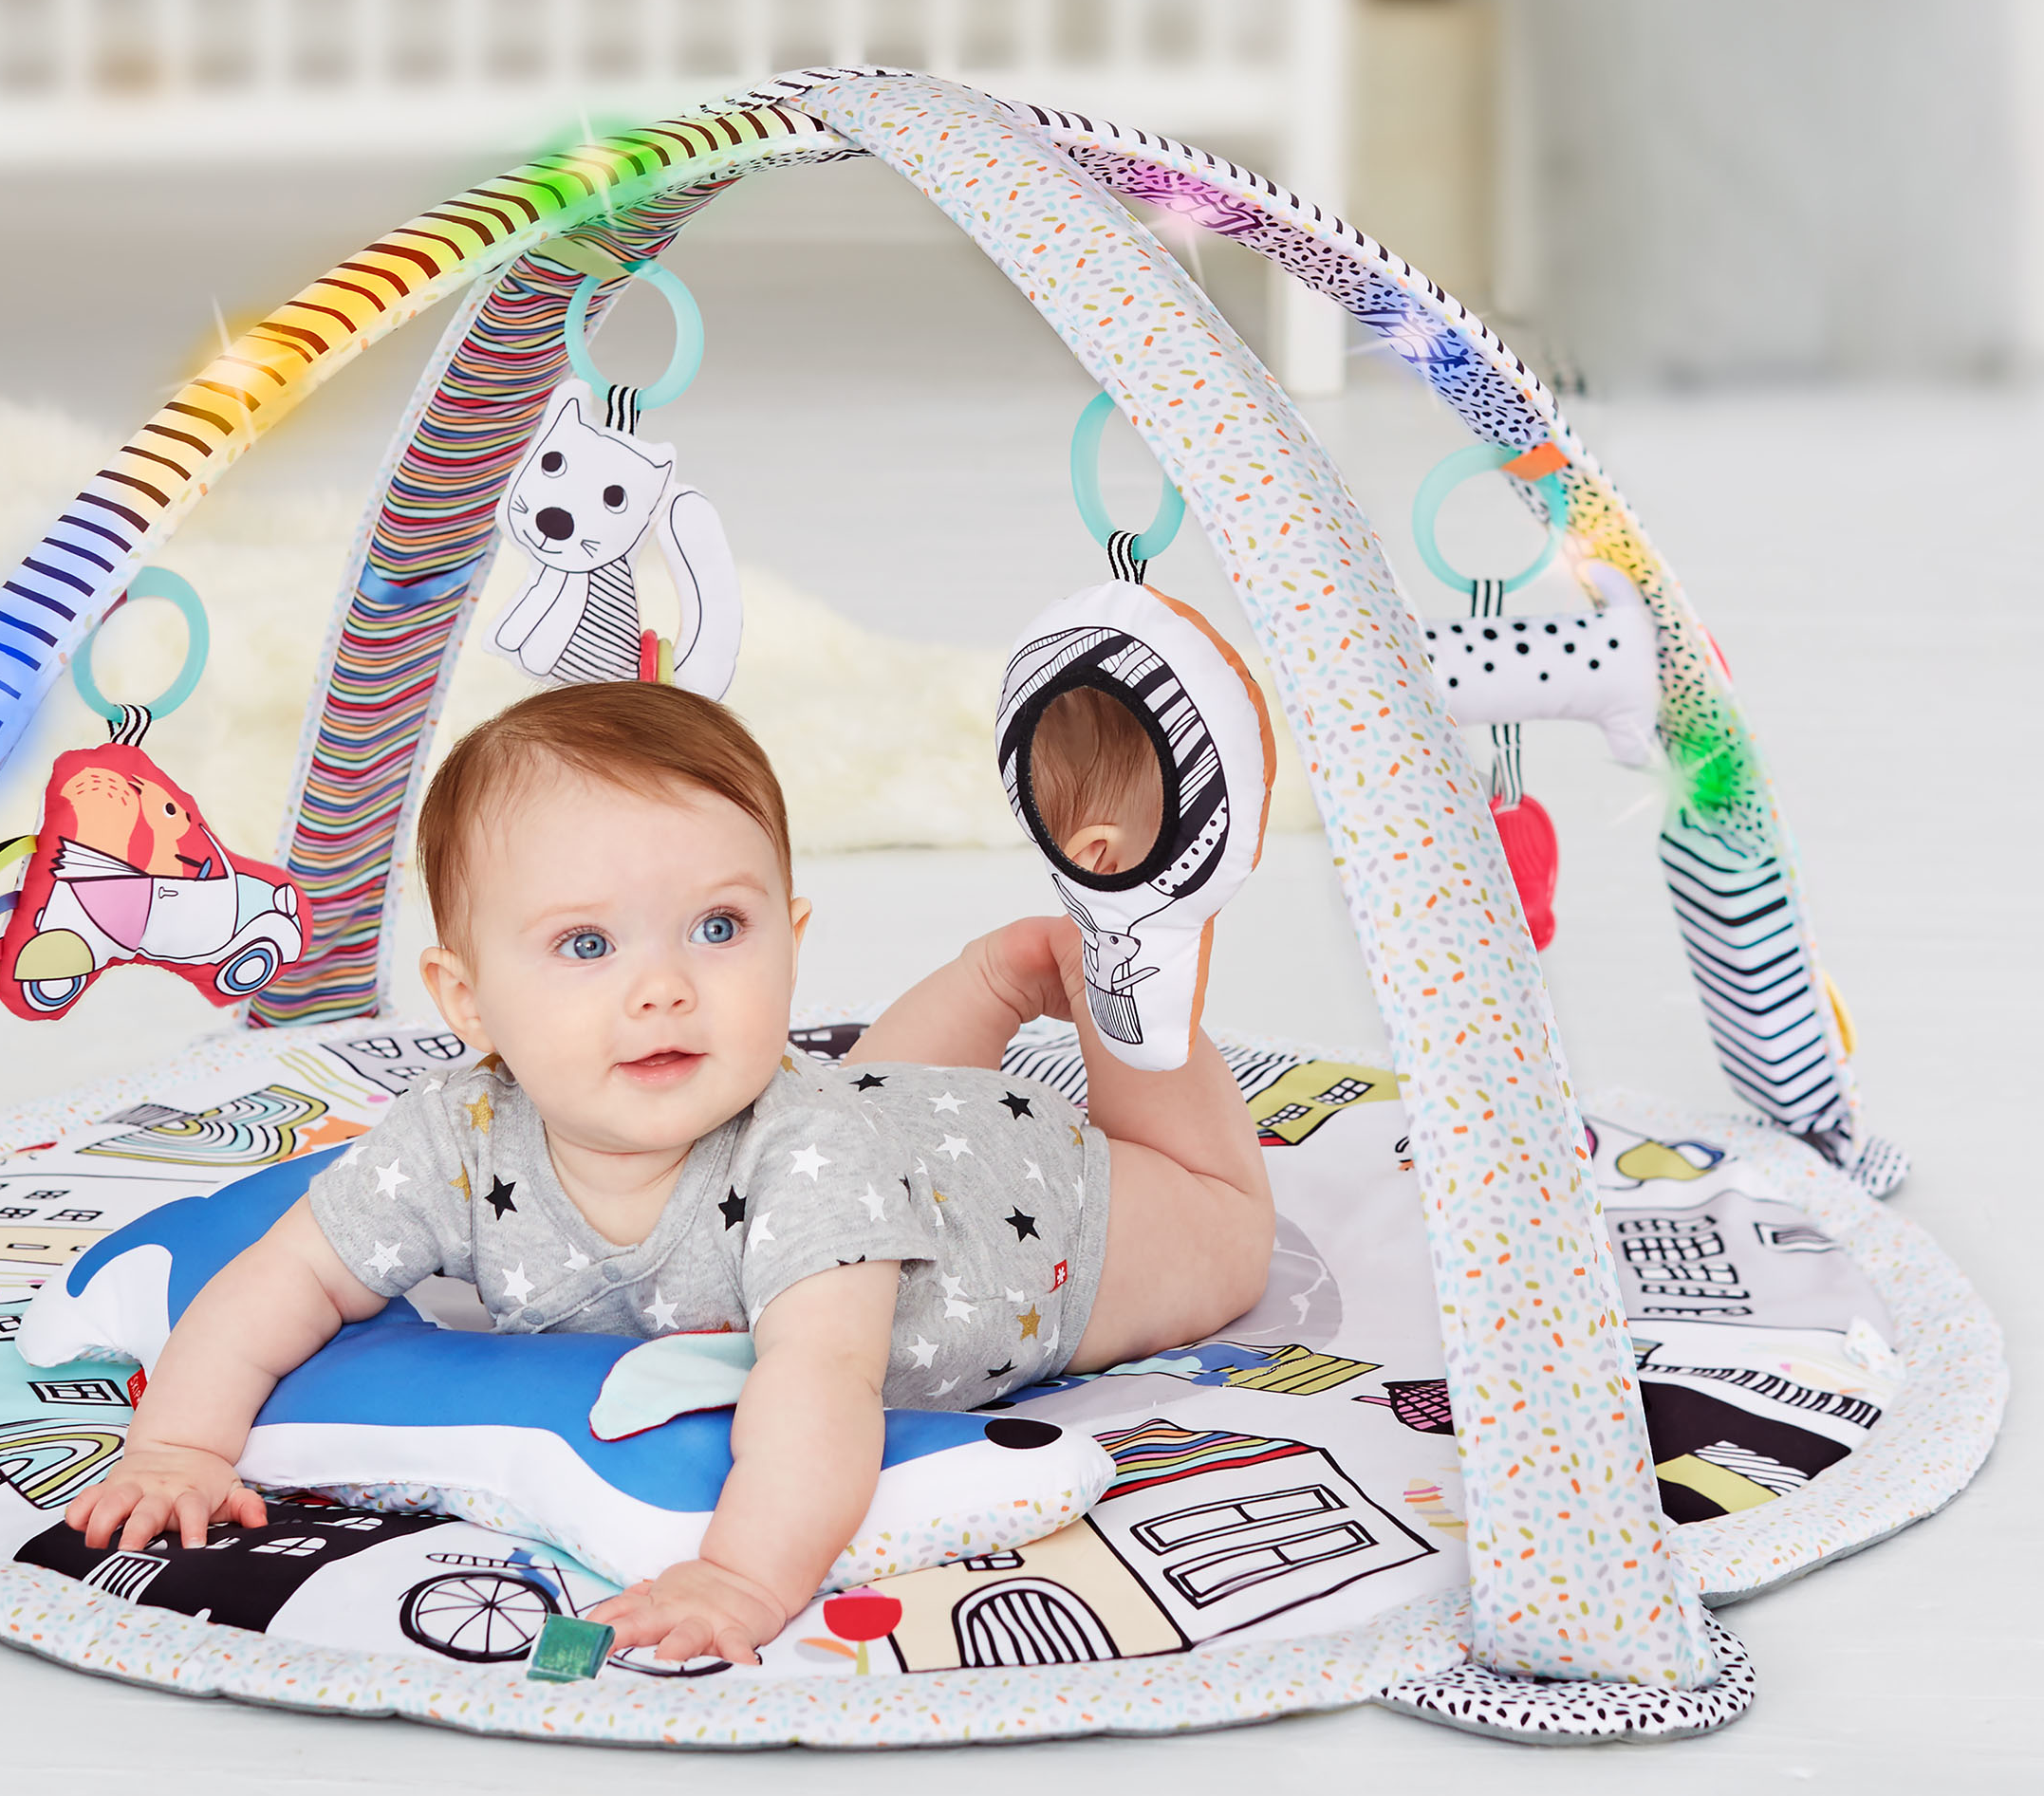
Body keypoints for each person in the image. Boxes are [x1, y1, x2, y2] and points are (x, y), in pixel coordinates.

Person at [65, 681, 1273, 1664]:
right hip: (885, 1123)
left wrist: (740, 1576)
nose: (663, 988)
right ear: (466, 999)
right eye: (587, 944)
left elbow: (823, 1384)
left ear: (791, 944)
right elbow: (284, 1280)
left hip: (1040, 1228)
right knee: (860, 1095)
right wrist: (181, 1447)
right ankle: (998, 980)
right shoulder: (452, 1135)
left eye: (719, 929)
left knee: (1223, 1228)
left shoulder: (816, 1159)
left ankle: (1113, 962)